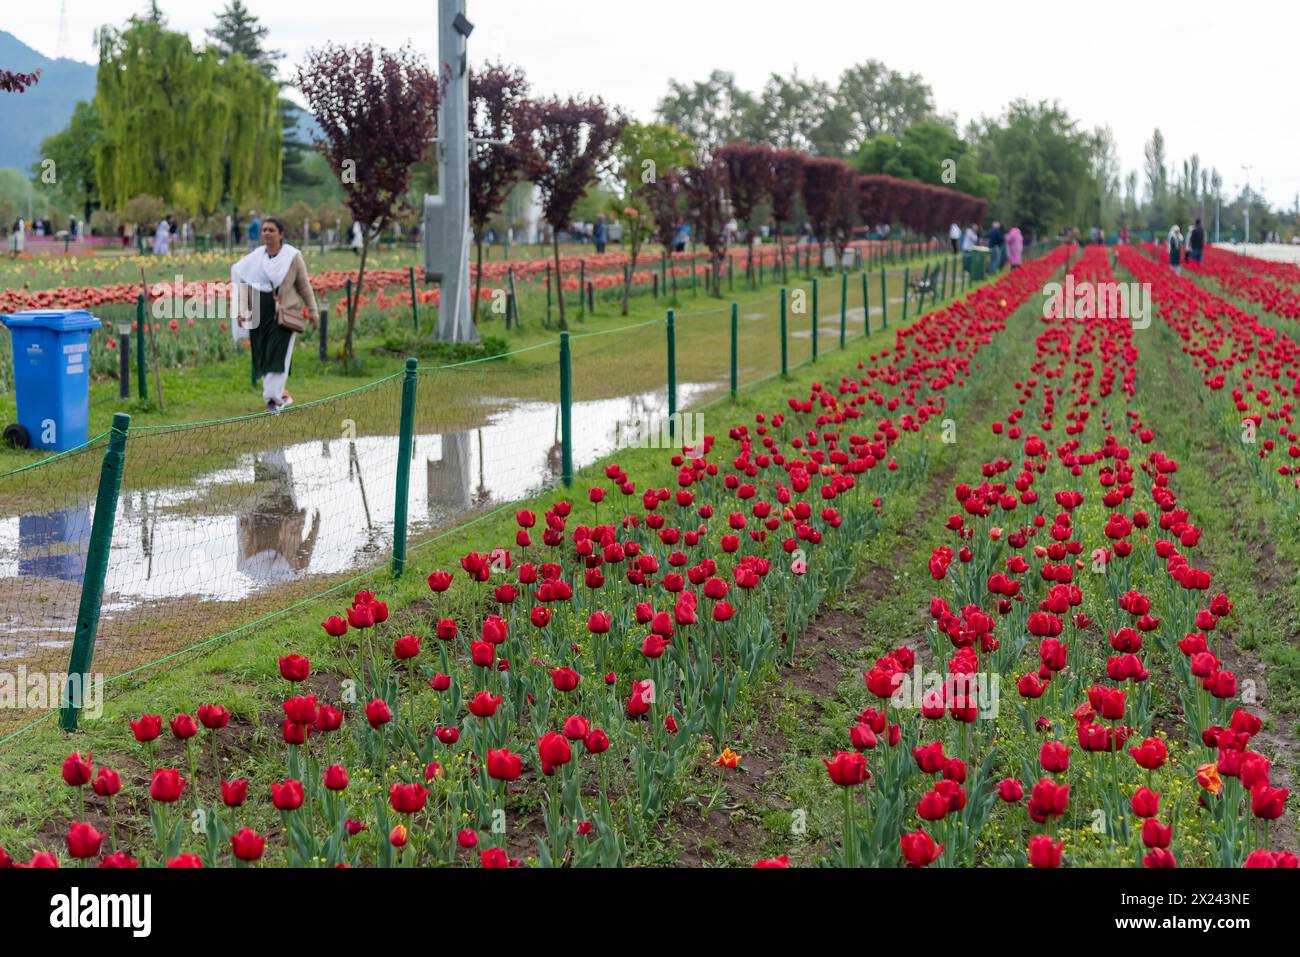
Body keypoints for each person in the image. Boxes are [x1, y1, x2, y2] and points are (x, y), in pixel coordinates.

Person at [231, 217, 319, 413]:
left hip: (284, 314)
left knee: (278, 354)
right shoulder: (255, 258)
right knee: (263, 355)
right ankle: (281, 394)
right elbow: (244, 283)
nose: (267, 233)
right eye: (264, 230)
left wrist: (313, 310)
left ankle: (273, 399)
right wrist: (241, 311)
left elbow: (304, 286)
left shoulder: (292, 257)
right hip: (259, 314)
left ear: (281, 234)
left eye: (271, 230)